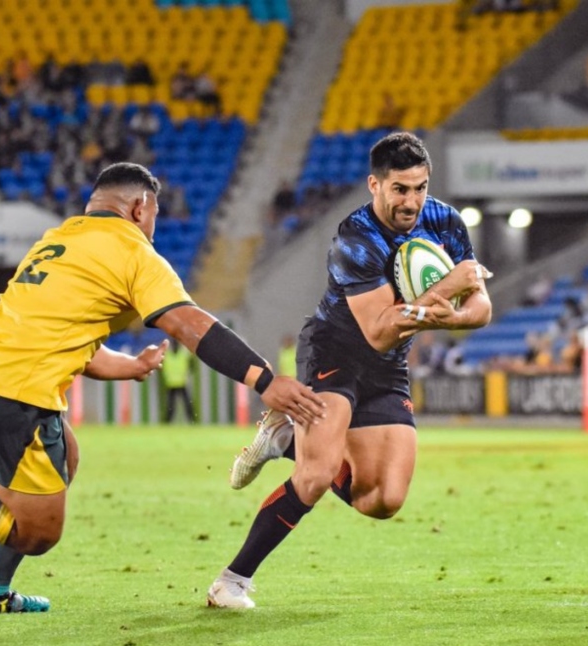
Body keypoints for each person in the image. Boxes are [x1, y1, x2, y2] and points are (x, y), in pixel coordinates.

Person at [0, 162, 325, 615]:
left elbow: (68, 338)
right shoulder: (132, 251)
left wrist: (132, 366)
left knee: (66, 458)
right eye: (154, 214)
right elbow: (188, 323)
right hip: (12, 388)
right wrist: (262, 379)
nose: (153, 225)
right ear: (140, 207)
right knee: (37, 532)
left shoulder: (60, 239)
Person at [207, 132, 493, 609]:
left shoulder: (445, 221)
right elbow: (378, 329)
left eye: (420, 187)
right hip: (334, 353)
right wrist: (445, 291)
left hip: (388, 366)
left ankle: (285, 439)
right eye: (400, 189)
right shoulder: (355, 238)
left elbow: (481, 306)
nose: (412, 201)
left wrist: (454, 317)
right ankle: (231, 581)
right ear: (374, 185)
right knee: (316, 475)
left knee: (382, 500)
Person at [161, 340, 195, 423]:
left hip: (179, 382)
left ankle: (168, 422)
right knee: (172, 405)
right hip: (173, 383)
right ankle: (191, 420)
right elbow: (191, 365)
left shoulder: (168, 355)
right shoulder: (183, 353)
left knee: (181, 404)